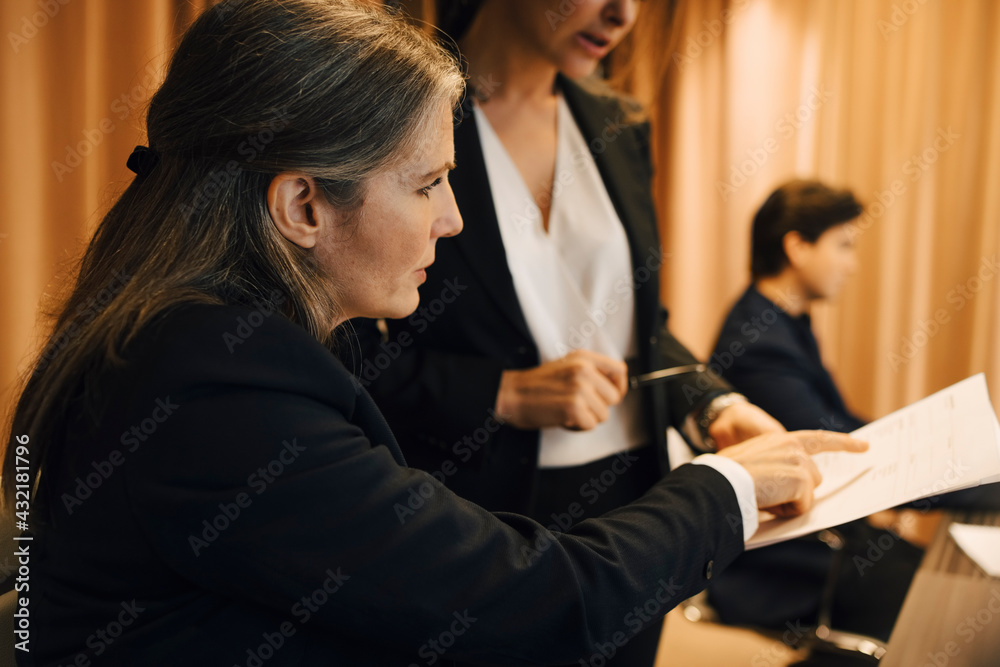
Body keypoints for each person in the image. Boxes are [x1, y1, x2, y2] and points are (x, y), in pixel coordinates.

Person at [4, 3, 867, 666]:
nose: (453, 219)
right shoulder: (222, 388)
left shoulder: (205, 334)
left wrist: (708, 411)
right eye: (427, 185)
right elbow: (531, 598)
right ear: (303, 204)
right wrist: (727, 488)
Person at [347, 3, 787, 664]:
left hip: (637, 497)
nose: (623, 15)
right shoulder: (402, 113)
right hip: (480, 504)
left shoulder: (619, 122)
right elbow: (350, 355)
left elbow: (640, 325)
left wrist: (712, 402)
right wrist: (505, 393)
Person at [706, 180, 920, 641]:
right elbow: (834, 442)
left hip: (812, 528)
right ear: (798, 248)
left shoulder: (785, 321)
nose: (852, 264)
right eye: (843, 245)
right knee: (922, 592)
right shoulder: (759, 341)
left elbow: (837, 421)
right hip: (777, 558)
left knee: (925, 572)